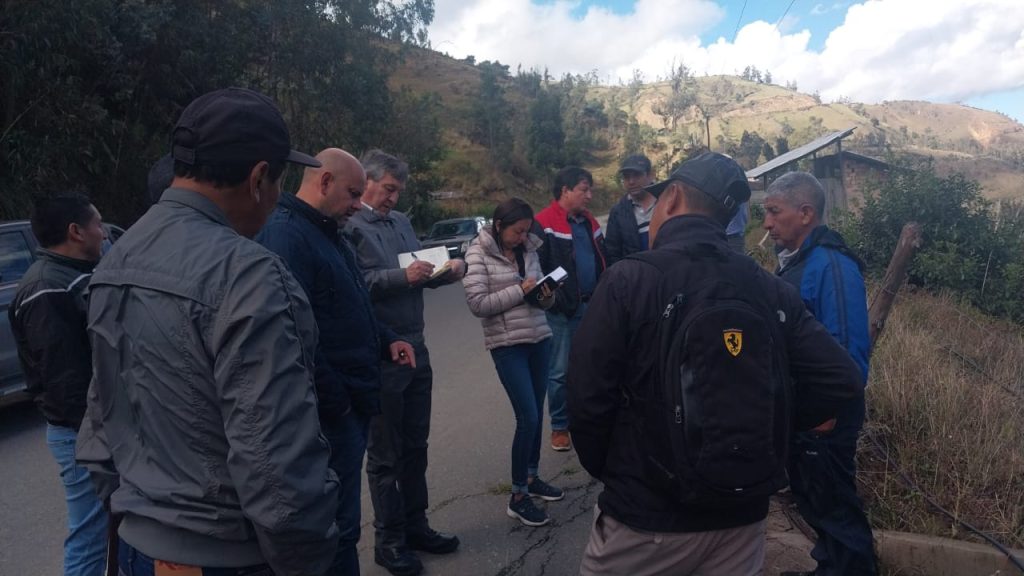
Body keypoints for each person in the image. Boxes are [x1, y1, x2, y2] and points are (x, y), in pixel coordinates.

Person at [76, 87, 339, 576]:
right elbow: (276, 467)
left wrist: (136, 512)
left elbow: (101, 413)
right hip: (230, 556)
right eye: (278, 182)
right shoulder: (250, 274)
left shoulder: (118, 259)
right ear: (259, 178)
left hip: (139, 545)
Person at [567, 153, 864, 576]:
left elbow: (586, 400)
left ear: (669, 202)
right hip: (741, 521)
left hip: (645, 519)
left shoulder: (628, 280)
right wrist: (775, 429)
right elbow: (842, 379)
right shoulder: (768, 287)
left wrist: (623, 472)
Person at [256, 147, 415, 576]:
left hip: (350, 401)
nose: (358, 205)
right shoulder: (286, 235)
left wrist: (386, 341)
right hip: (330, 411)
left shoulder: (329, 230)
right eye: (353, 193)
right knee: (334, 529)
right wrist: (339, 401)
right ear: (324, 182)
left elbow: (352, 303)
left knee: (344, 524)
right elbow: (294, 336)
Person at [342, 149, 462, 576]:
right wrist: (401, 278)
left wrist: (446, 270)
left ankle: (416, 525)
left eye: (397, 190)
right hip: (382, 355)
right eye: (388, 188)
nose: (393, 197)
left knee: (416, 447)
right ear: (368, 181)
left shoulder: (403, 223)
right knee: (386, 456)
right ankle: (389, 541)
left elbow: (418, 270)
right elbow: (353, 285)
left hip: (418, 347)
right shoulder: (349, 226)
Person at [764, 171, 876, 576]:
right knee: (816, 501)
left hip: (827, 416)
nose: (767, 223)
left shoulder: (832, 265)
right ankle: (831, 567)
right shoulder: (798, 262)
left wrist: (827, 412)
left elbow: (848, 350)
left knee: (835, 507)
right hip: (807, 412)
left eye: (775, 212)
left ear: (806, 213)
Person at [9, 193, 109, 576]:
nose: (103, 233)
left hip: (89, 430)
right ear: (76, 231)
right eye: (98, 224)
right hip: (82, 434)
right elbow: (66, 380)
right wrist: (97, 436)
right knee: (89, 536)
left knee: (106, 530)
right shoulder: (48, 288)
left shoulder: (68, 275)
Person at [462, 198, 565, 527]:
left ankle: (532, 477)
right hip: (507, 345)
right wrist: (520, 291)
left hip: (539, 338)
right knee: (529, 417)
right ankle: (518, 496)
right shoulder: (477, 254)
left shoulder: (529, 250)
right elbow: (478, 303)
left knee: (536, 414)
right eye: (517, 232)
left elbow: (539, 297)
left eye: (526, 231)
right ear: (499, 225)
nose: (522, 237)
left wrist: (546, 295)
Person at [533, 166, 607, 452]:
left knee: (592, 366)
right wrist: (558, 301)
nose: (589, 196)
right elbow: (535, 268)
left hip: (594, 304)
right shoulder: (544, 223)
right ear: (565, 191)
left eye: (590, 190)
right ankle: (560, 426)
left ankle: (588, 420)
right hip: (563, 312)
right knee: (560, 370)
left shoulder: (590, 222)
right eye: (583, 189)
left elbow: (604, 257)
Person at [605, 154, 656, 265]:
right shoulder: (618, 212)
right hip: (636, 277)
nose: (631, 181)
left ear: (650, 175)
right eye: (626, 177)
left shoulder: (667, 201)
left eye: (637, 175)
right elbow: (612, 252)